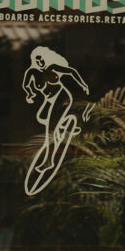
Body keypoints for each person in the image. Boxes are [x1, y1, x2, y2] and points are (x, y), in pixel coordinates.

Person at [22, 46, 90, 195]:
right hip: (50, 100)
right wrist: (30, 93)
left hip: (62, 97)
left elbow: (71, 72)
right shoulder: (32, 73)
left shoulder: (52, 68)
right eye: (37, 60)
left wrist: (83, 84)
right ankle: (70, 125)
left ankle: (49, 161)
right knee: (42, 117)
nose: (40, 62)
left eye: (42, 59)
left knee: (50, 130)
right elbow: (27, 85)